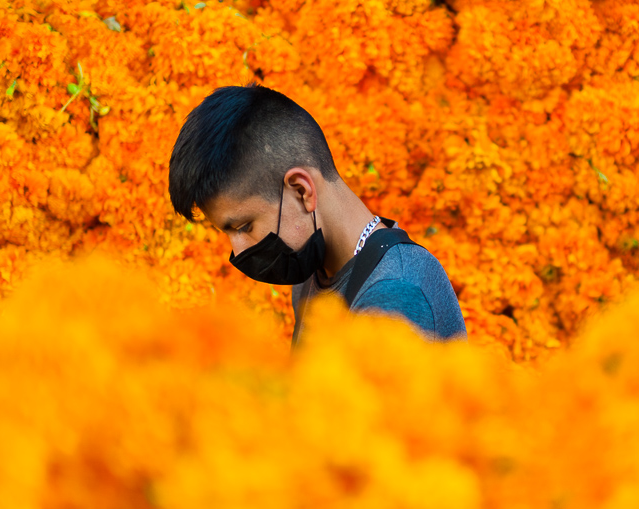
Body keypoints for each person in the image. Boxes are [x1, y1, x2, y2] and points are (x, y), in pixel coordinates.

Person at [168, 83, 466, 345]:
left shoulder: (393, 298)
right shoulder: (313, 274)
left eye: (244, 226)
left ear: (301, 190)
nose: (238, 250)